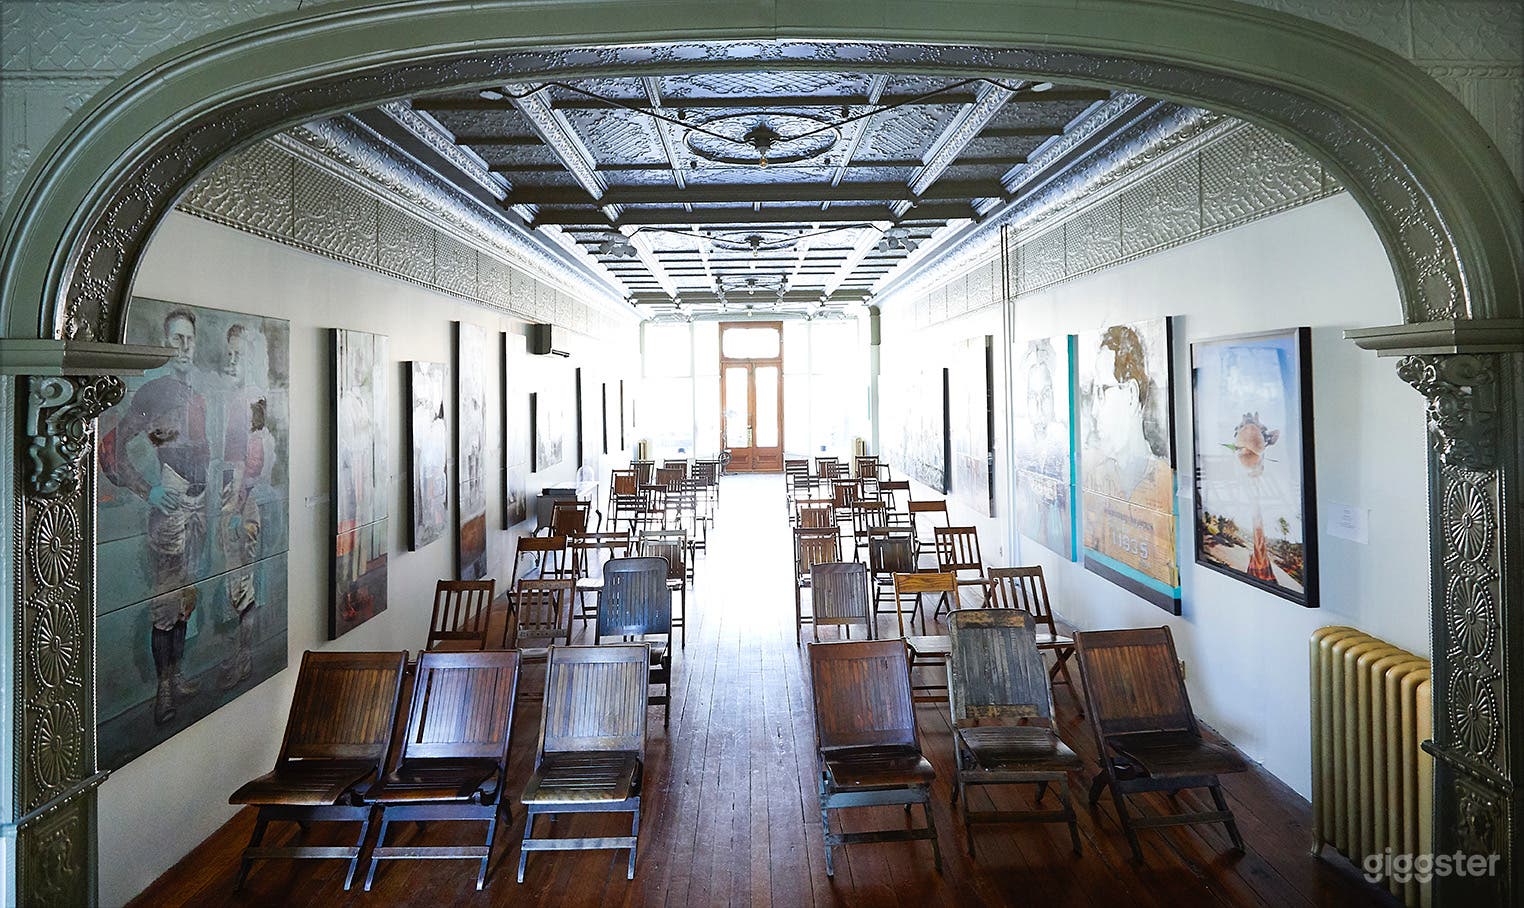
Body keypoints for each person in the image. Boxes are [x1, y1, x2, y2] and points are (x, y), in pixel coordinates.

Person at [100, 308, 209, 724]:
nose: (182, 347)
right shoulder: (154, 394)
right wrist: (150, 491)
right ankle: (163, 689)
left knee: (185, 601)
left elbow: (204, 452)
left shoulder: (195, 396)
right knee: (166, 604)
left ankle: (177, 675)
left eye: (188, 339)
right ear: (165, 344)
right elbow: (111, 446)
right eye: (175, 339)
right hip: (171, 505)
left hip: (198, 506)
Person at [216, 323, 274, 688]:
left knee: (242, 584)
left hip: (243, 505)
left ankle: (244, 658)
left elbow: (250, 461)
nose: (232, 360)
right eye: (230, 353)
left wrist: (236, 507)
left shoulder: (249, 402)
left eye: (239, 354)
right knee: (237, 583)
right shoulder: (239, 399)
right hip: (236, 503)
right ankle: (241, 656)